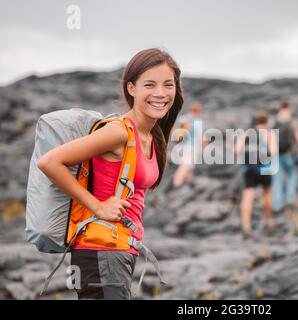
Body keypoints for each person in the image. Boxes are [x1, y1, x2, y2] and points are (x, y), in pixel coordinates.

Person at [37, 48, 184, 299]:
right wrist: (98, 206)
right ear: (131, 88)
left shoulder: (152, 135)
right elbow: (50, 162)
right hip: (100, 248)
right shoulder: (118, 132)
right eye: (150, 84)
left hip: (119, 249)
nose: (161, 93)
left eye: (168, 85)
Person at [235, 112, 276, 238]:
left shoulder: (246, 133)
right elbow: (273, 151)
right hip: (264, 168)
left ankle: (246, 226)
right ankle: (268, 220)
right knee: (267, 193)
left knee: (248, 196)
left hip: (249, 169)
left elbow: (236, 150)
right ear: (266, 122)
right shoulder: (269, 134)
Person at [271, 101, 298, 214]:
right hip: (288, 154)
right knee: (292, 175)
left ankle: (277, 205)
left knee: (277, 180)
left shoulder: (274, 121)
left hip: (275, 155)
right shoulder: (292, 121)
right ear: (289, 108)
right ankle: (290, 199)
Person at [172, 102, 204, 188]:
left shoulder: (183, 119)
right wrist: (205, 145)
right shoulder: (197, 122)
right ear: (198, 111)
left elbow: (175, 132)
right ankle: (177, 183)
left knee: (188, 166)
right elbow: (200, 137)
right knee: (186, 166)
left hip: (179, 147)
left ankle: (189, 185)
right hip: (190, 147)